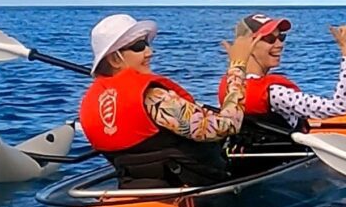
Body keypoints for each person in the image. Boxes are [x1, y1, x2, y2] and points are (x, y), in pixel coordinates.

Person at [79, 14, 260, 188]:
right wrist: (238, 66)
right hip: (190, 186)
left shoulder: (91, 103)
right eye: (139, 46)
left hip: (134, 184)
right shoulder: (155, 98)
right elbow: (228, 125)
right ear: (114, 59)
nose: (150, 52)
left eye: (147, 44)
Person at [217, 13, 346, 130]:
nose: (280, 44)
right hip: (288, 157)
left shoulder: (230, 87)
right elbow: (339, 107)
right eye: (270, 39)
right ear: (248, 46)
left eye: (281, 37)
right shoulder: (276, 93)